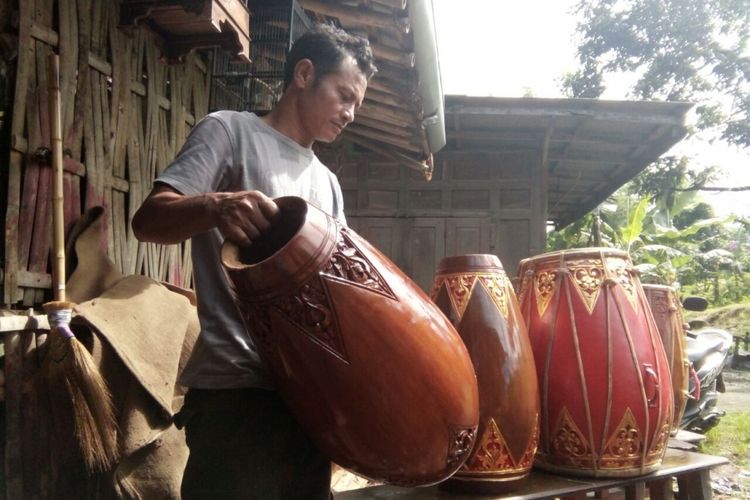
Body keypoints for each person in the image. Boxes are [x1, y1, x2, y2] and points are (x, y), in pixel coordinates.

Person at [132, 23, 376, 500]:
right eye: (344, 95)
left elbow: (338, 288)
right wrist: (216, 206)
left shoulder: (327, 183)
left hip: (308, 403)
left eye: (357, 105)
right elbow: (148, 221)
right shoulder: (229, 131)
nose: (350, 114)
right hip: (237, 397)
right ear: (304, 74)